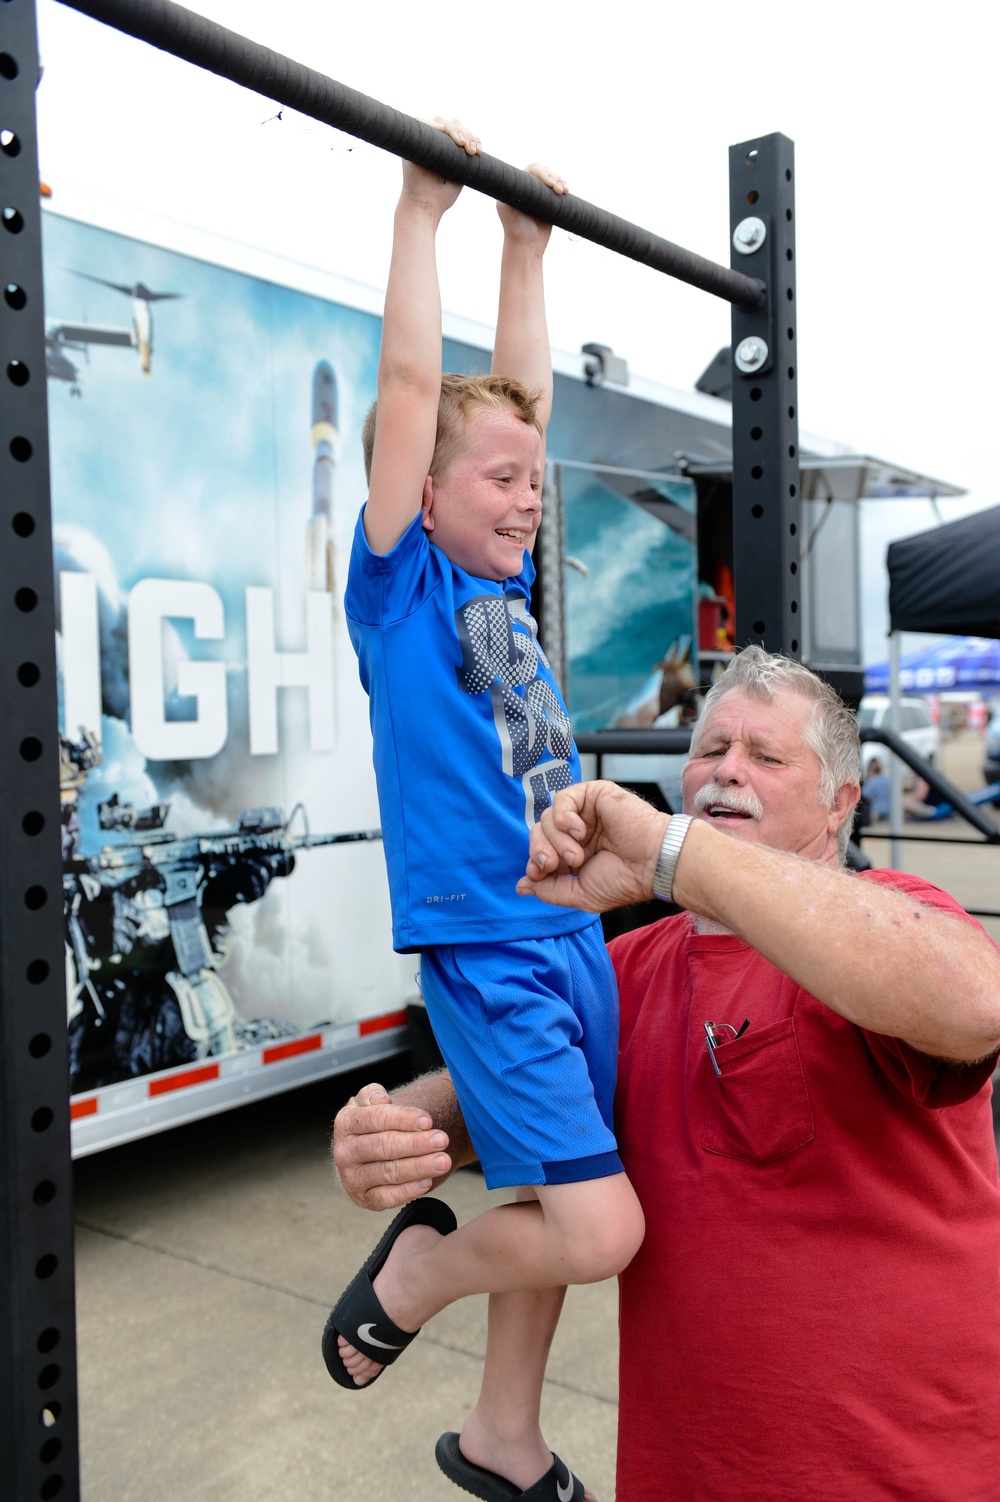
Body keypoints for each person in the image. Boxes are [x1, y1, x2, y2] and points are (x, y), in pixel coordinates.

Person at [333, 647, 1000, 1502]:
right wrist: (403, 1125)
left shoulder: (890, 918)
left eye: (766, 757)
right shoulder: (629, 967)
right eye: (709, 750)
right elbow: (526, 1088)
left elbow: (976, 1004)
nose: (728, 772)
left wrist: (670, 853)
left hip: (912, 1472)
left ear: (839, 804)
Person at [333, 118, 644, 1502]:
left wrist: (530, 240)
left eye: (534, 479)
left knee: (545, 1184)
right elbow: (420, 381)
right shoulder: (400, 585)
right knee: (595, 1226)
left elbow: (515, 394)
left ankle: (504, 1437)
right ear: (425, 493)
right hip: (489, 933)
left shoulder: (502, 588)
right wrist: (424, 210)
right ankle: (420, 1266)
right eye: (501, 479)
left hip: (569, 922)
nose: (529, 495)